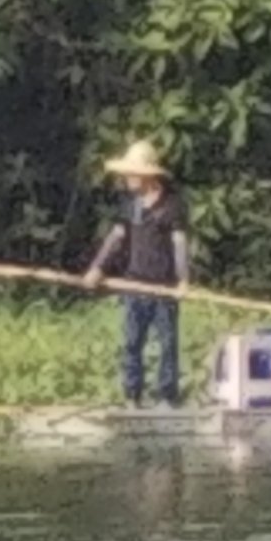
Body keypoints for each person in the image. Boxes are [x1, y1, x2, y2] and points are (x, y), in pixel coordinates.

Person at [83, 138, 191, 407]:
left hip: (163, 287)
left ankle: (167, 397)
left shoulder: (171, 205)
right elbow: (116, 238)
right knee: (132, 343)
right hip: (134, 284)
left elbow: (179, 244)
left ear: (148, 176)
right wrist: (97, 267)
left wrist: (183, 280)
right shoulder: (129, 204)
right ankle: (132, 396)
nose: (128, 178)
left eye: (133, 173)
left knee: (167, 344)